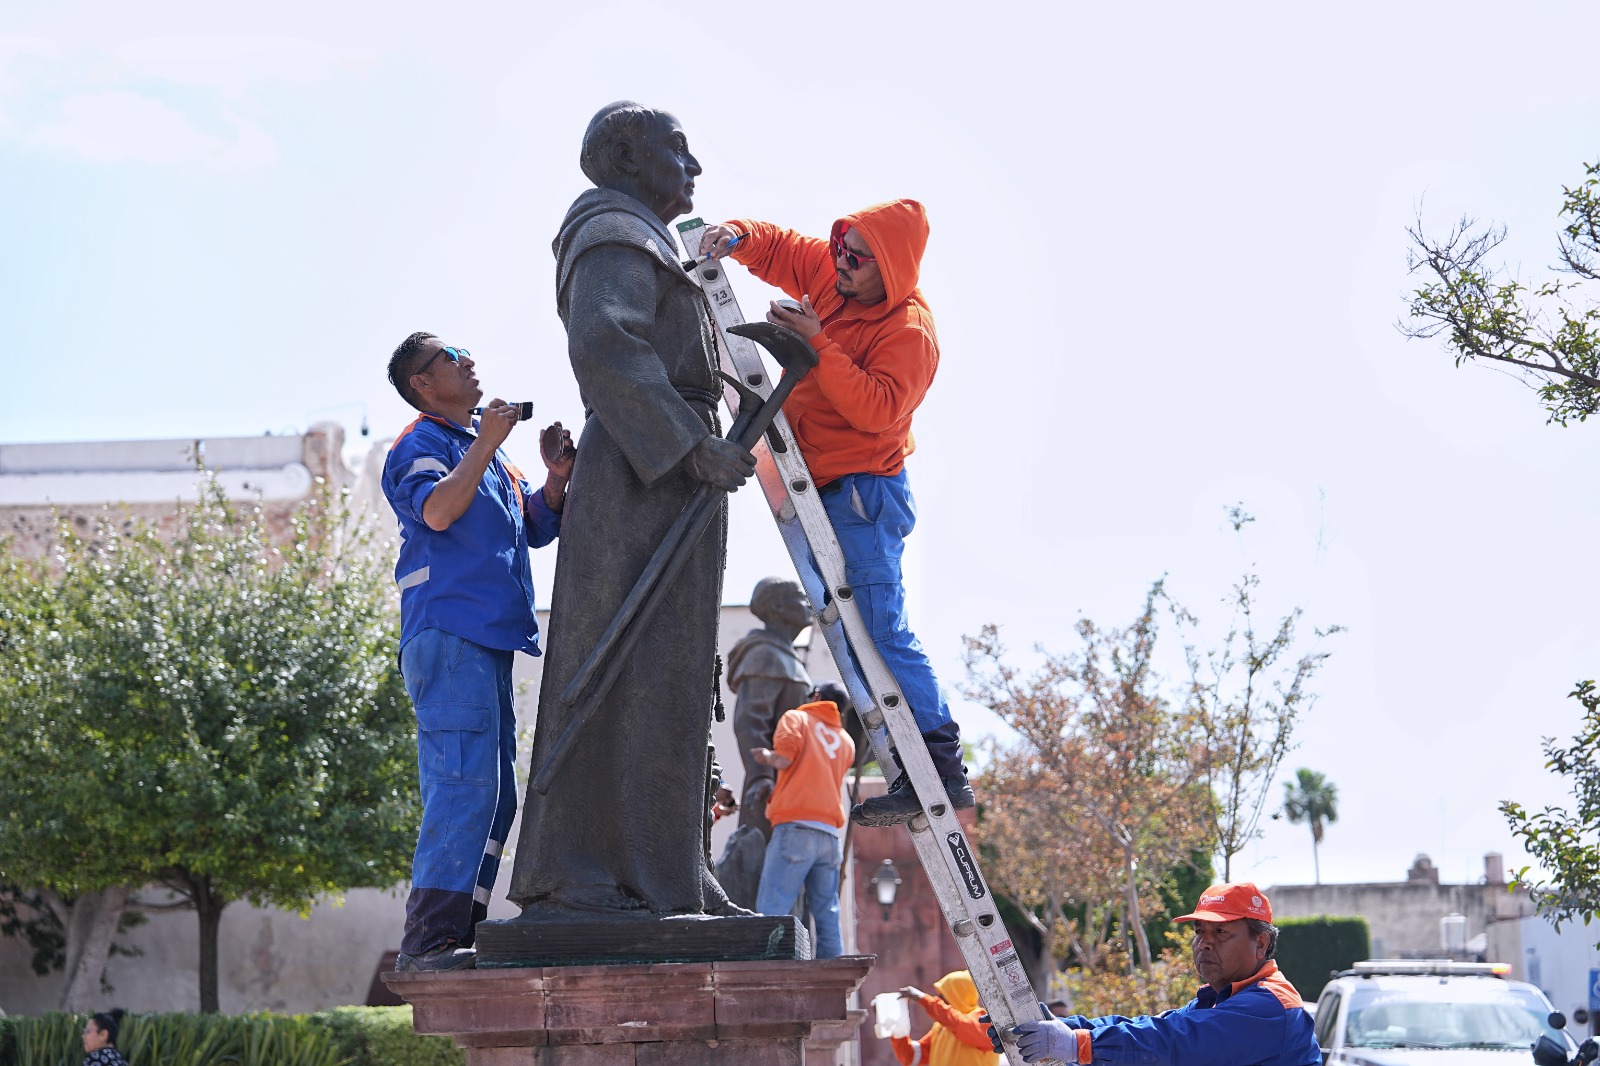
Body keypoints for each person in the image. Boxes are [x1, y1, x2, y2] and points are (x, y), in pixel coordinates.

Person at [505, 101, 755, 918]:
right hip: (643, 472)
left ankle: (669, 871)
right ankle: (581, 872)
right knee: (619, 669)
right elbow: (607, 346)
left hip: (674, 468)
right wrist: (688, 445)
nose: (695, 167)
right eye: (677, 149)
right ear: (625, 154)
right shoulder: (613, 231)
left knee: (673, 673)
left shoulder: (650, 238)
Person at [697, 202, 972, 827]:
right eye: (840, 250)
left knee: (880, 625)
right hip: (824, 485)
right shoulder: (833, 269)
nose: (840, 264)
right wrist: (737, 236)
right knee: (848, 625)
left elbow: (875, 409)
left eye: (856, 259)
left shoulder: (909, 333)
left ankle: (941, 762)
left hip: (863, 493)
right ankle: (902, 749)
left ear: (892, 269)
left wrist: (815, 342)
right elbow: (782, 247)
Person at [382, 334, 574, 970]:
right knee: (464, 782)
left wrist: (553, 480)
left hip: (483, 639)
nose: (467, 359)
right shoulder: (422, 444)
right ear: (424, 385)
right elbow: (437, 511)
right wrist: (490, 441)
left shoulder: (483, 454)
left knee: (497, 794)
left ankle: (459, 932)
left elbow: (537, 526)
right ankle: (429, 942)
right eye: (450, 355)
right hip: (451, 633)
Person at [993, 882, 1321, 1065]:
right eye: (1199, 932)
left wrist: (1079, 1043)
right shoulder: (1220, 1000)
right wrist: (1062, 1026)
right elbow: (1157, 1027)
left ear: (1260, 943)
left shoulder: (1269, 1006)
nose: (1204, 944)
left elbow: (1175, 1042)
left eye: (1220, 933)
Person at [751, 681, 855, 958]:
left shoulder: (796, 718)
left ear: (817, 696)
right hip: (829, 834)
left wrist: (764, 756)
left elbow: (784, 760)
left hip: (796, 827)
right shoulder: (847, 741)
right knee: (827, 912)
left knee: (772, 907)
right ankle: (834, 979)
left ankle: (763, 971)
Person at [728, 576, 814, 836]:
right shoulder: (765, 655)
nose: (808, 604)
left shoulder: (788, 658)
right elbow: (750, 723)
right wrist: (761, 775)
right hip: (772, 788)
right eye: (801, 597)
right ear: (777, 606)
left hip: (796, 785)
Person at [887, 970, 1000, 1066]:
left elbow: (960, 1024)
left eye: (943, 996)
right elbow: (912, 1056)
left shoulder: (983, 1020)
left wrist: (923, 998)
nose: (939, 1000)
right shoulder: (942, 1027)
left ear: (958, 996)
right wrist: (897, 1026)